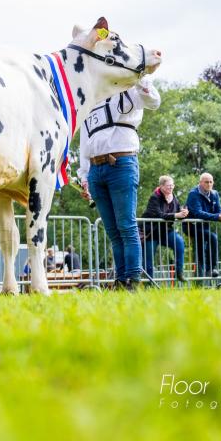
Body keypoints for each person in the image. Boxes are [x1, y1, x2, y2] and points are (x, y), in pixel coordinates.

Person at [79, 77, 161, 289]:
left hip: (122, 162)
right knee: (113, 231)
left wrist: (140, 79)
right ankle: (120, 279)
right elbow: (84, 142)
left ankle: (132, 279)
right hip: (96, 169)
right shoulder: (90, 102)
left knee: (126, 226)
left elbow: (154, 101)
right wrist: (84, 176)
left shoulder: (130, 90)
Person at [184, 173, 221, 282]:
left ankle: (202, 279)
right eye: (206, 182)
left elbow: (218, 211)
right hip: (192, 226)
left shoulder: (215, 194)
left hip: (204, 227)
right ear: (200, 183)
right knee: (212, 238)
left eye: (211, 182)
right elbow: (198, 213)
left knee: (202, 250)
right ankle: (210, 269)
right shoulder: (193, 194)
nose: (209, 184)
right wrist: (218, 217)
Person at [141, 176, 188, 281]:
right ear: (161, 186)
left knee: (179, 243)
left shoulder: (174, 197)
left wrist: (184, 213)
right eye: (168, 186)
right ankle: (149, 283)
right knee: (149, 258)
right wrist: (177, 215)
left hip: (165, 231)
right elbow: (159, 214)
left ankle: (179, 273)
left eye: (172, 185)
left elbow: (178, 211)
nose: (171, 188)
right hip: (151, 232)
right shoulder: (155, 197)